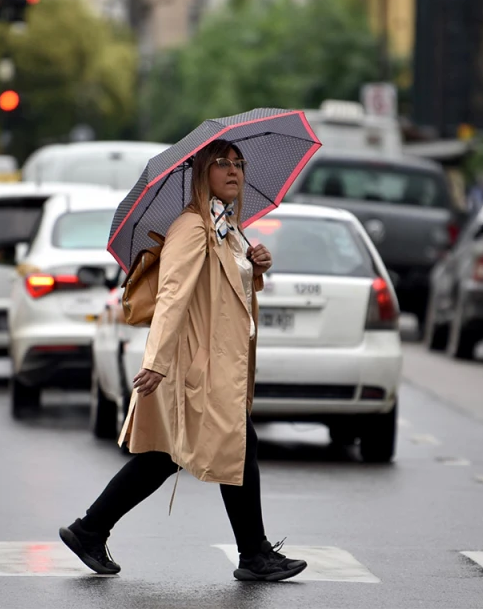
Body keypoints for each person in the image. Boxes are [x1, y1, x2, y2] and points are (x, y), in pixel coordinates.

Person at [59, 140, 308, 583]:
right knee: (234, 446)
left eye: (238, 164)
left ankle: (90, 529)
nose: (234, 171)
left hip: (211, 364)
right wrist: (154, 362)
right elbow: (172, 294)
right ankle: (254, 554)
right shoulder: (192, 228)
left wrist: (258, 266)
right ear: (200, 173)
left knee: (166, 456)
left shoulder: (227, 227)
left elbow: (226, 291)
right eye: (222, 164)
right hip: (193, 365)